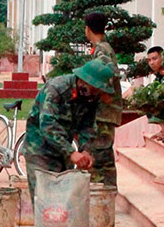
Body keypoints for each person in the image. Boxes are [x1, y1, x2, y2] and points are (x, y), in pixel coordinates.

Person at [22, 59, 115, 202]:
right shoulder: (56, 89)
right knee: (44, 199)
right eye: (96, 88)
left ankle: (59, 226)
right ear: (84, 81)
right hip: (39, 149)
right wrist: (71, 152)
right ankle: (46, 225)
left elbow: (87, 125)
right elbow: (48, 124)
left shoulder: (90, 96)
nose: (97, 93)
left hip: (63, 149)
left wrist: (85, 150)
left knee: (63, 199)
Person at [79, 12, 124, 187]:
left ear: (87, 29)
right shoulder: (103, 47)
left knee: (99, 154)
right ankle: (107, 191)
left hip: (104, 111)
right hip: (106, 110)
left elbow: (110, 72)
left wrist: (97, 91)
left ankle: (103, 191)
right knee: (104, 154)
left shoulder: (102, 50)